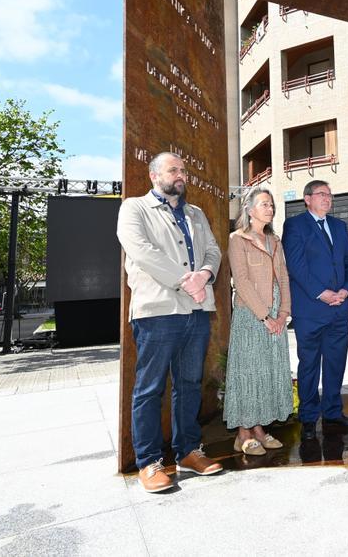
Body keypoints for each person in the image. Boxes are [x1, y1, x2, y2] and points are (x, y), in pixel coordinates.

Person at [117, 152, 223, 493]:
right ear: (154, 175)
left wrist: (204, 274)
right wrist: (185, 280)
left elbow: (213, 251)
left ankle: (188, 452)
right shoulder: (134, 208)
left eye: (184, 170)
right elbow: (142, 251)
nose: (181, 175)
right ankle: (149, 462)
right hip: (157, 312)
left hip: (197, 310)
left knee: (189, 384)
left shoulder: (196, 213)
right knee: (150, 388)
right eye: (173, 169)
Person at [283, 180, 348, 438]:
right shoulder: (295, 225)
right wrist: (321, 293)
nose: (327, 199)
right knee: (309, 365)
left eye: (329, 195)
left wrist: (346, 290)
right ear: (307, 199)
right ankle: (308, 417)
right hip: (311, 310)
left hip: (339, 309)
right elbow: (296, 266)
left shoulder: (339, 226)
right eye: (321, 194)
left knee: (336, 363)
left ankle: (333, 412)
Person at [223, 188, 294, 456]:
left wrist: (283, 313)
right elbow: (240, 282)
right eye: (265, 204)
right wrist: (265, 316)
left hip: (276, 315)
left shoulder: (275, 240)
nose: (270, 208)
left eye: (272, 204)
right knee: (249, 373)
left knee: (267, 372)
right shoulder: (237, 239)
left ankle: (260, 429)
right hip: (251, 315)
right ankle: (243, 433)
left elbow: (284, 277)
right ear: (250, 210)